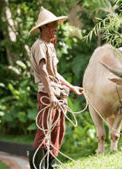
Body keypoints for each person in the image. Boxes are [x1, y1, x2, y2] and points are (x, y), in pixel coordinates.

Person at [28, 7, 83, 169]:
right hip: (47, 94)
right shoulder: (39, 46)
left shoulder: (50, 46)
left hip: (57, 93)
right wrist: (51, 95)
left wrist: (72, 87)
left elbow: (55, 74)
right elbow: (44, 72)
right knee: (44, 129)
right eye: (52, 24)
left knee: (58, 129)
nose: (56, 27)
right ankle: (37, 166)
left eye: (56, 24)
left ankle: (50, 162)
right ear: (43, 27)